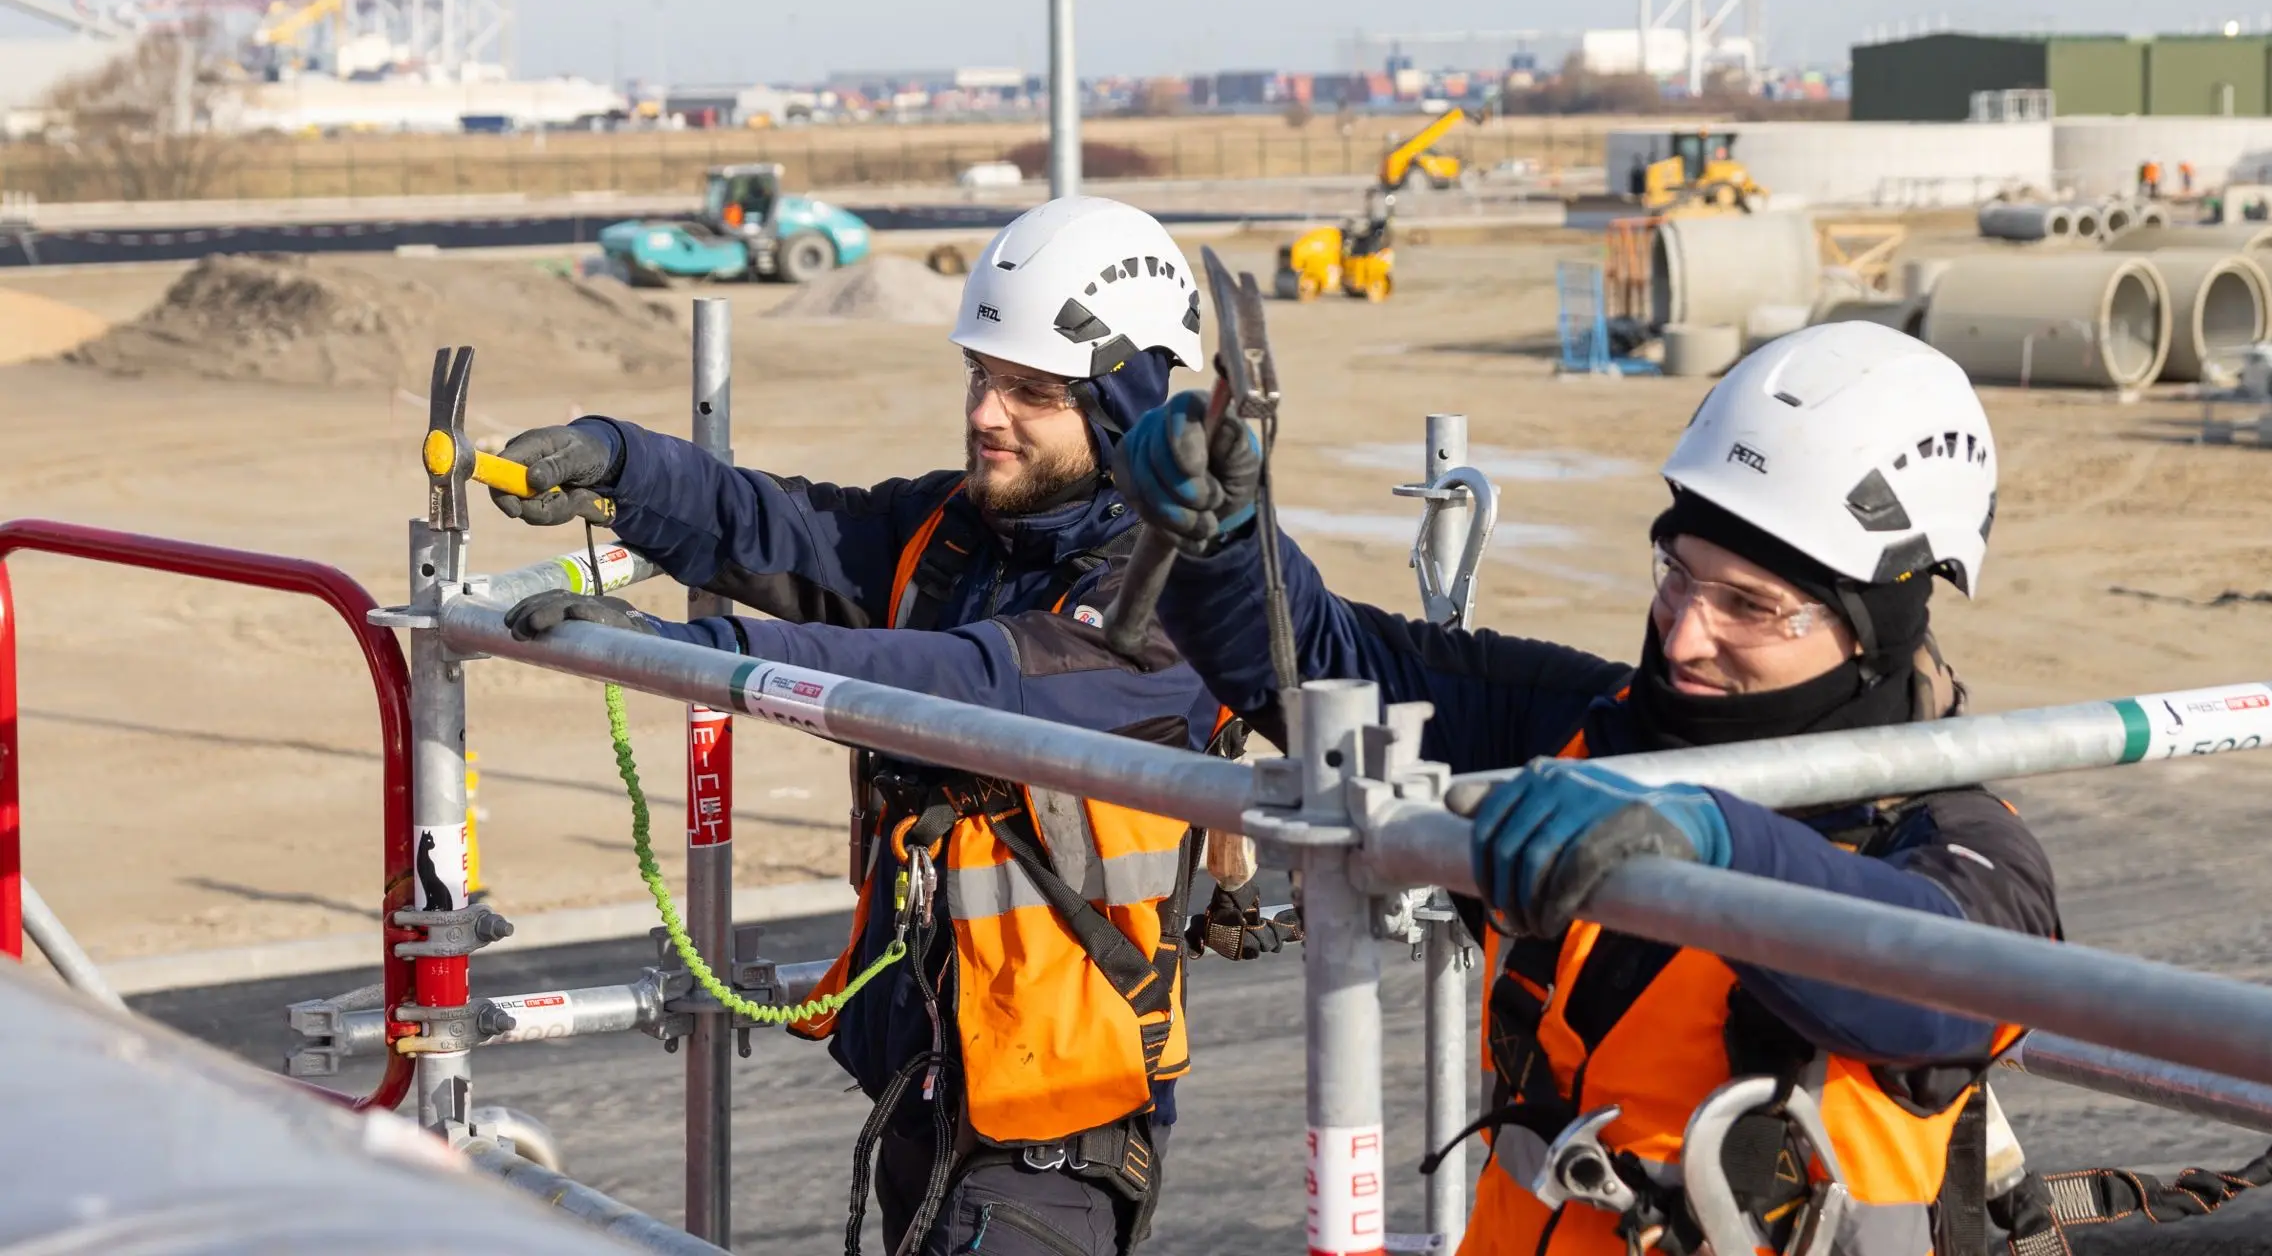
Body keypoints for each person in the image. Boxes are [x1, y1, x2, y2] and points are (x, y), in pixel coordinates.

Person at [1114, 321, 2061, 1255]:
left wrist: (1721, 845)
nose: (1685, 635)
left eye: (1748, 606)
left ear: (1876, 629)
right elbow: (1328, 667)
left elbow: (1944, 985)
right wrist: (1224, 544)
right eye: (1677, 576)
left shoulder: (1957, 844)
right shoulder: (1583, 734)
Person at [491, 197, 1288, 1256]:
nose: (987, 413)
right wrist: (624, 466)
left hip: (1049, 1148)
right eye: (979, 375)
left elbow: (972, 685)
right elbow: (788, 528)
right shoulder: (960, 535)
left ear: (1122, 410)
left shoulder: (1172, 598)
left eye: (1032, 391)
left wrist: (692, 649)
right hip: (929, 1096)